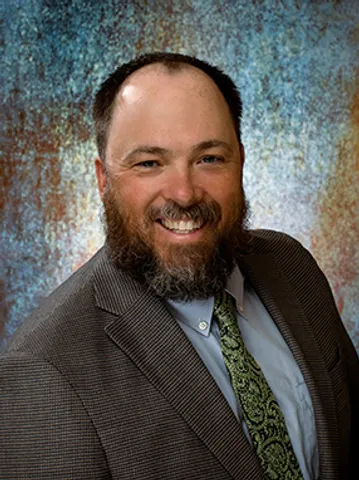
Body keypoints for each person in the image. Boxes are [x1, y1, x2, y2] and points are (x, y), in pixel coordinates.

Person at [1, 52, 358, 480]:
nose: (185, 193)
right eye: (149, 163)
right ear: (103, 179)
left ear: (241, 161)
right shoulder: (46, 370)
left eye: (209, 158)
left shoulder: (291, 266)